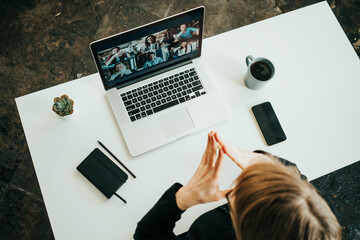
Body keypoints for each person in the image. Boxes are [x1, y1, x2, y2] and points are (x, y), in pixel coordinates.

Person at [134, 132, 341, 240]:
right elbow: (300, 183)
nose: (231, 193)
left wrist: (182, 199)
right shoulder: (320, 224)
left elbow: (147, 237)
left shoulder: (215, 233)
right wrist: (265, 163)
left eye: (235, 200)